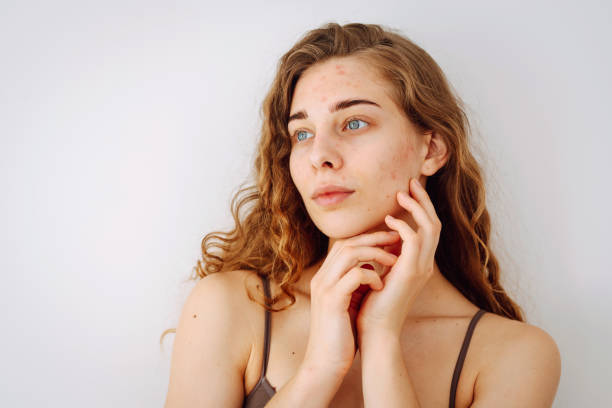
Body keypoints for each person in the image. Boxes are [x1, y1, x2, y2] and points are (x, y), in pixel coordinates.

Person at [163, 22, 561, 407]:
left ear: (432, 149)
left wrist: (382, 337)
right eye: (302, 134)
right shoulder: (229, 307)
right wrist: (321, 367)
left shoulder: (515, 356)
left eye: (354, 123)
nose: (319, 155)